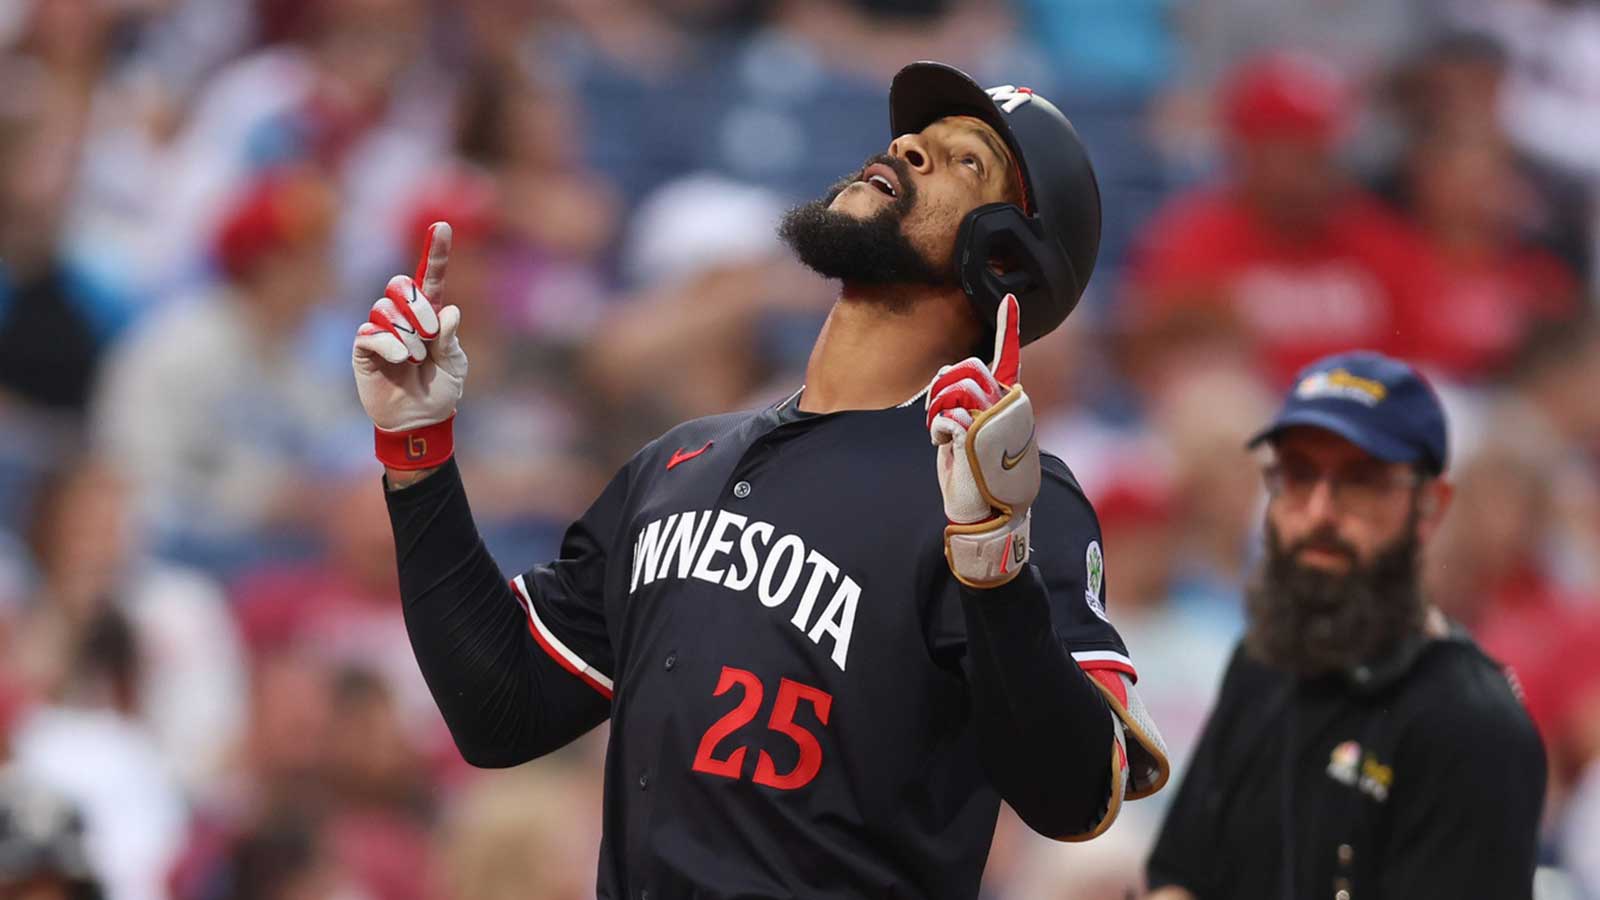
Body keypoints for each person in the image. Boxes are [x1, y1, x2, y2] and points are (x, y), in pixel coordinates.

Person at [351, 61, 1169, 899]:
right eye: (915, 138)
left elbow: (1075, 793)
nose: (909, 149)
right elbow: (501, 709)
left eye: (965, 161)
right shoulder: (678, 462)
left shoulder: (1003, 495)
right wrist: (417, 454)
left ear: (1005, 259)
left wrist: (998, 569)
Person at [1145, 350, 1546, 900]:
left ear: (1430, 506)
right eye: (1298, 475)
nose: (1319, 512)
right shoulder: (1258, 665)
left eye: (1360, 480)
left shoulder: (1472, 723)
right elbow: (1176, 876)